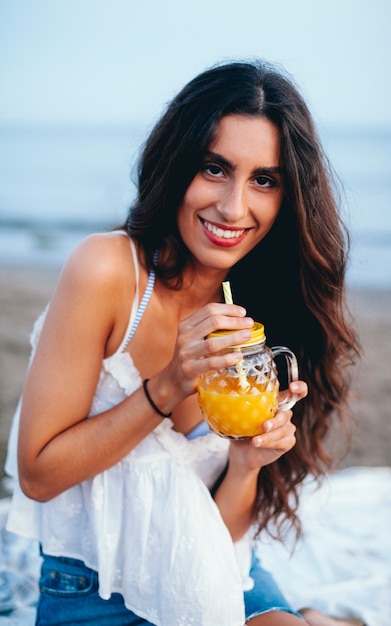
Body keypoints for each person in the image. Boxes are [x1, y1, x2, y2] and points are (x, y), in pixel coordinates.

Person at [5, 59, 362, 625]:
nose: (233, 207)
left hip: (213, 564)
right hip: (93, 589)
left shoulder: (261, 304)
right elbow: (38, 476)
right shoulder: (107, 271)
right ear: (176, 165)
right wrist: (168, 385)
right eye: (214, 168)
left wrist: (246, 464)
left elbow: (220, 531)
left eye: (264, 180)